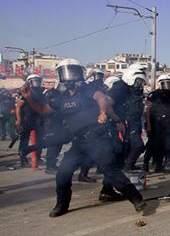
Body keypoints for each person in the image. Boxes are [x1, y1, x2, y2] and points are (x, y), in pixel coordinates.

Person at [21, 58, 145, 217]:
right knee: (63, 174)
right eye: (67, 72)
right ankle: (62, 205)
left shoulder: (88, 89)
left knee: (112, 172)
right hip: (79, 143)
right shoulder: (61, 97)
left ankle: (137, 200)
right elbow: (44, 110)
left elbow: (102, 98)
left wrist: (102, 113)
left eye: (73, 71)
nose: (70, 76)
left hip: (97, 139)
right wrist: (29, 97)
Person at [143, 74, 170, 173]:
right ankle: (145, 164)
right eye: (165, 83)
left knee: (163, 145)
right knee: (152, 145)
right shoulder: (153, 94)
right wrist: (149, 124)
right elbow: (147, 110)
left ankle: (159, 166)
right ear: (160, 84)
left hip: (166, 124)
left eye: (169, 83)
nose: (167, 86)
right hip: (155, 123)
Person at [16, 74, 44, 167]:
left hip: (38, 119)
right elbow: (18, 107)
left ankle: (38, 158)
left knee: (40, 140)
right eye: (34, 81)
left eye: (37, 80)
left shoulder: (41, 92)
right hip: (27, 119)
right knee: (24, 140)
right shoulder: (24, 92)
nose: (36, 83)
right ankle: (23, 160)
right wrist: (19, 120)